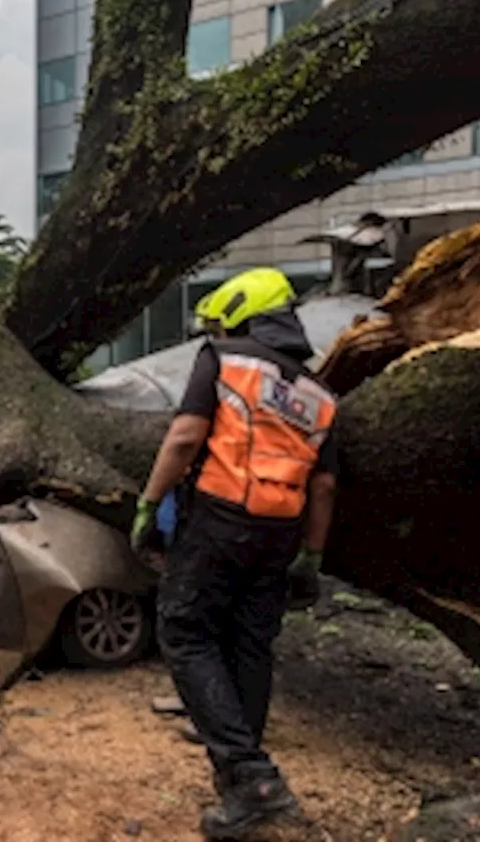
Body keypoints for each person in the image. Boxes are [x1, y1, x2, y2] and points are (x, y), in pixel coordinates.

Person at [129, 267, 339, 839]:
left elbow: (184, 437)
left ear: (241, 314)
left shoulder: (224, 357)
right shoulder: (320, 393)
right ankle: (244, 768)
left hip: (219, 519)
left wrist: (148, 507)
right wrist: (312, 559)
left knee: (185, 632)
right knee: (250, 643)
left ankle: (252, 779)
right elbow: (323, 486)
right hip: (281, 533)